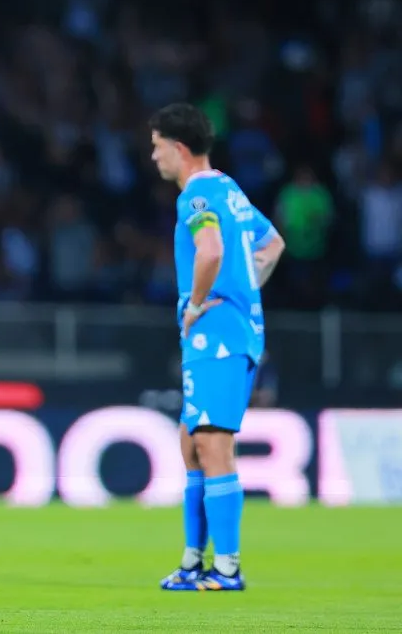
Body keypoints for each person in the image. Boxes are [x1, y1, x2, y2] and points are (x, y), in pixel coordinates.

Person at [149, 103, 285, 591]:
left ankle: (226, 567)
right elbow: (272, 245)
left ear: (179, 148)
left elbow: (210, 251)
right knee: (192, 442)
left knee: (212, 443)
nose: (154, 157)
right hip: (230, 331)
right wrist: (244, 289)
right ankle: (193, 561)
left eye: (157, 146)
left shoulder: (197, 195)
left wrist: (199, 303)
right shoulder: (229, 190)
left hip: (217, 335)